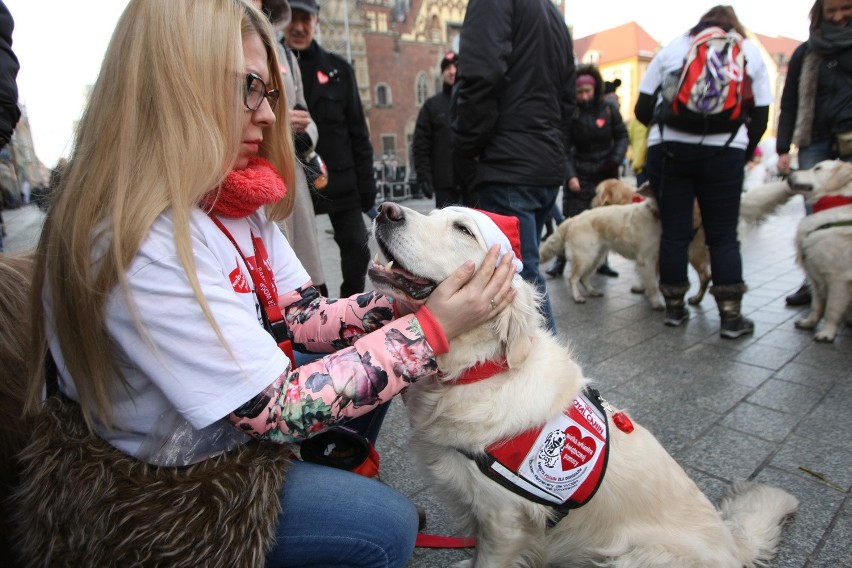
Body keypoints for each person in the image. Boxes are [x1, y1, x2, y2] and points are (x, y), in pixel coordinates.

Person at [17, 1, 516, 565]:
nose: (270, 116)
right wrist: (428, 332)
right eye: (249, 88)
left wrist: (395, 308)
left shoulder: (229, 190)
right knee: (387, 528)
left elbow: (301, 315)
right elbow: (272, 408)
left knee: (383, 364)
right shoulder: (135, 238)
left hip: (236, 424)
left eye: (271, 93)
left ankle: (332, 480)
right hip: (171, 482)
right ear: (172, 81)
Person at [635, 5, 772, 338]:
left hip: (669, 150)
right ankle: (730, 317)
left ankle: (675, 309)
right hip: (725, 151)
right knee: (723, 234)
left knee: (675, 231)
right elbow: (763, 115)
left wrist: (672, 128)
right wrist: (736, 147)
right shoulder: (749, 51)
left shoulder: (676, 47)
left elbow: (641, 108)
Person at [452, 0, 575, 334]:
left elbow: (481, 75)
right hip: (541, 161)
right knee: (522, 275)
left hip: (506, 161)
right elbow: (568, 100)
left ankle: (549, 381)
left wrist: (467, 147)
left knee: (518, 283)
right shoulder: (551, 13)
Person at [284, 0, 377, 298]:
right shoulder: (273, 66)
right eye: (293, 18)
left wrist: (367, 192)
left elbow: (358, 135)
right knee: (300, 257)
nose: (299, 26)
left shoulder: (339, 70)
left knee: (357, 248)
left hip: (340, 181)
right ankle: (317, 306)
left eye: (305, 19)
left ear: (317, 22)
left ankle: (348, 300)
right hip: (294, 182)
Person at [775, 0, 852, 307]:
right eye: (830, 11)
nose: (838, 16)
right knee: (815, 215)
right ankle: (814, 280)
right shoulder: (805, 52)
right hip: (814, 140)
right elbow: (789, 102)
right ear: (819, 13)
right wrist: (783, 148)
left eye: (845, 8)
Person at [257, 0, 328, 298]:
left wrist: (303, 132)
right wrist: (279, 122)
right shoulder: (219, 46)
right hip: (256, 173)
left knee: (306, 276)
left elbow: (308, 119)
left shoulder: (286, 55)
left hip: (292, 179)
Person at [546, 64, 629, 278]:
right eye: (579, 92)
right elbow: (563, 147)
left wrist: (615, 160)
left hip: (605, 174)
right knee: (571, 220)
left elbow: (621, 136)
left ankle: (602, 262)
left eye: (587, 91)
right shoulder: (571, 113)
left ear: (595, 89)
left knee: (604, 220)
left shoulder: (609, 109)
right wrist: (570, 174)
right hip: (579, 172)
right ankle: (561, 260)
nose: (583, 96)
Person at [412, 51, 467, 208]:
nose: (452, 71)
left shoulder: (471, 101)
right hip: (445, 184)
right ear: (443, 72)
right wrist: (424, 176)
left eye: (456, 67)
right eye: (447, 68)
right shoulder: (431, 106)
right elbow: (421, 144)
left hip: (471, 182)